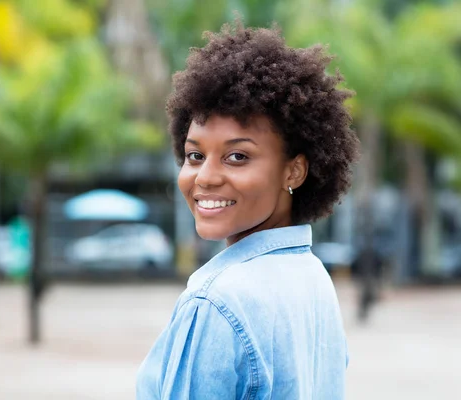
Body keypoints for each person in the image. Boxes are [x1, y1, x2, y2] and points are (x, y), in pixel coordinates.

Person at [136, 21, 360, 400]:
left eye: (237, 156)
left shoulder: (217, 300)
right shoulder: (313, 277)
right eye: (195, 155)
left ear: (294, 169)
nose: (205, 177)